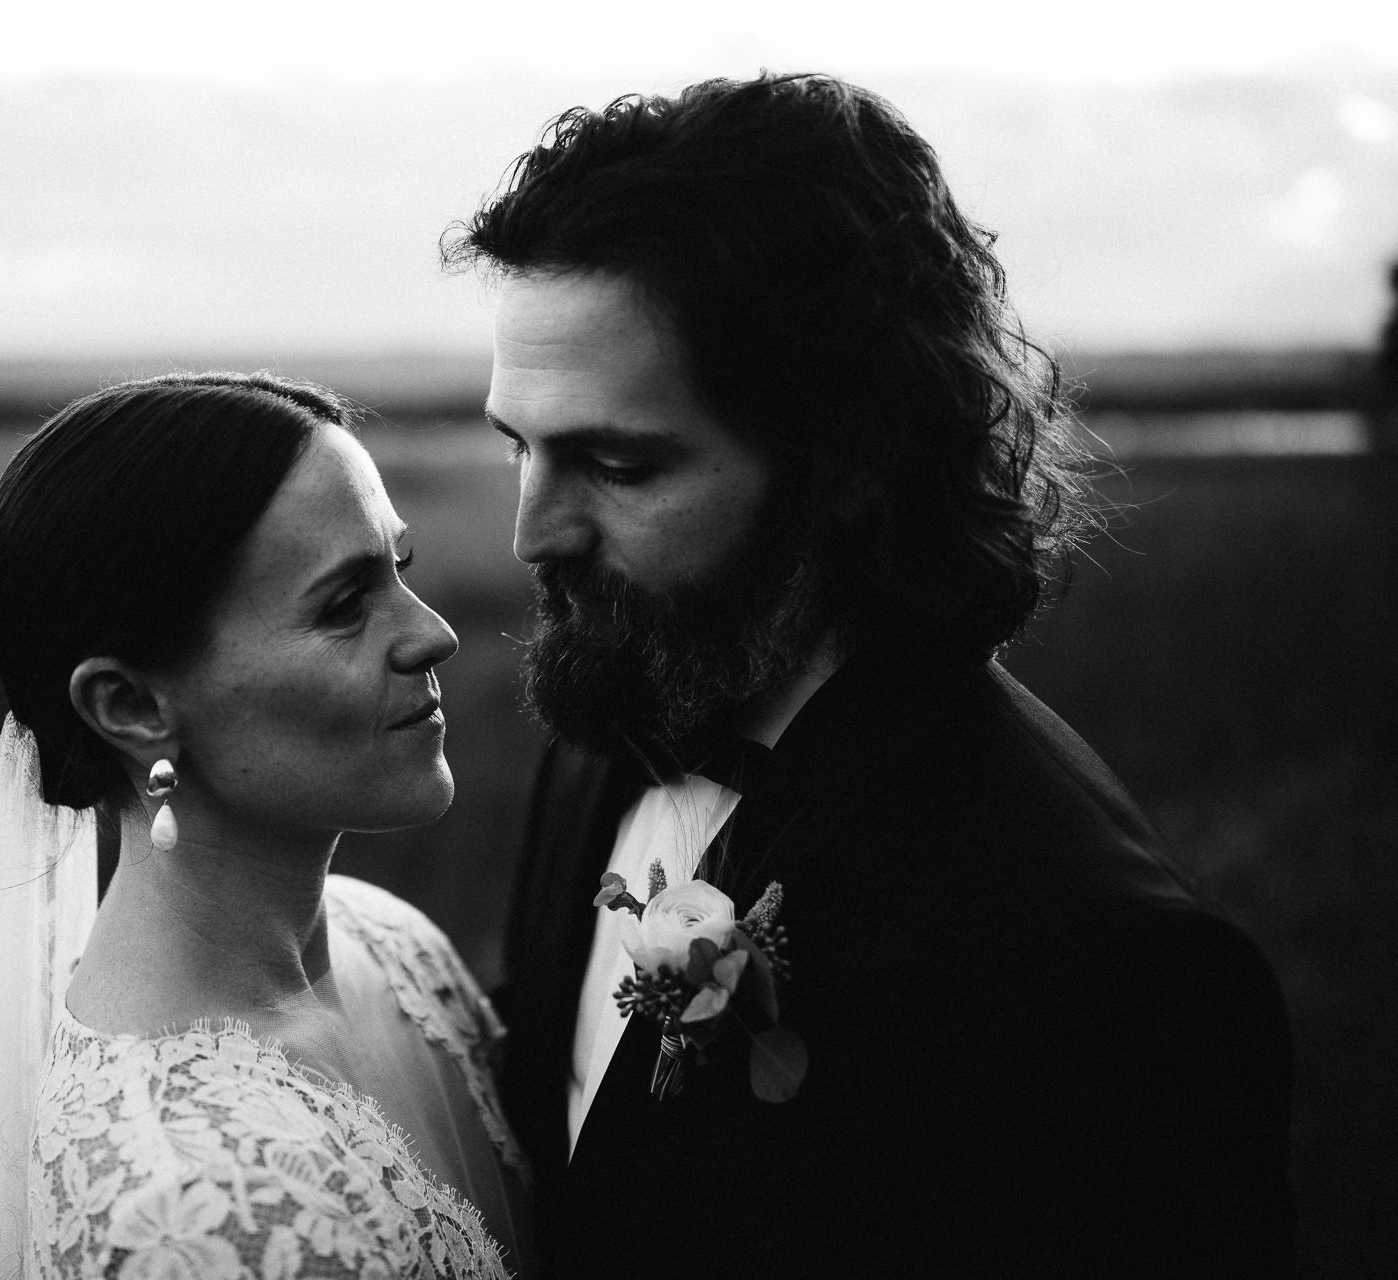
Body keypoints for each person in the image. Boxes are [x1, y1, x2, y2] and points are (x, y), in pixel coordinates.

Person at [446, 75, 1297, 1275]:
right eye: (518, 446)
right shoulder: (614, 720)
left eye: (618, 465)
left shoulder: (1101, 969)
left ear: (847, 460)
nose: (536, 532)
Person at [0, 372, 534, 1279]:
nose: (434, 635)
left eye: (398, 572)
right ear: (131, 706)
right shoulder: (193, 1213)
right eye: (343, 606)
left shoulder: (398, 948)